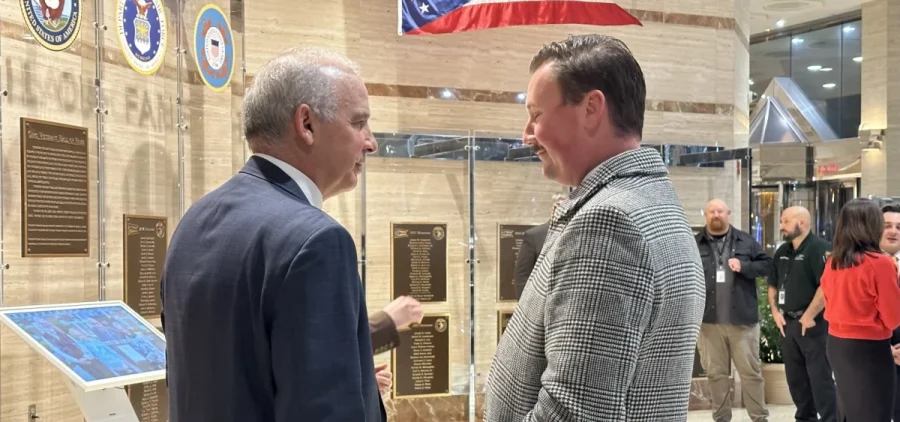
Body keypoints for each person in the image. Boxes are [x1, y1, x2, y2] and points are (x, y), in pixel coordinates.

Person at [484, 34, 705, 421]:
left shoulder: (608, 223)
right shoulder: (649, 200)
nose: (527, 135)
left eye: (536, 115)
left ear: (591, 108)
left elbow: (572, 413)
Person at [160, 47, 384, 421]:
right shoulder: (317, 241)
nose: (370, 142)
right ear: (307, 124)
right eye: (359, 122)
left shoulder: (192, 223)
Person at [820, 198, 900, 421]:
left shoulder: (833, 262)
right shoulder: (880, 264)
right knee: (875, 412)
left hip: (837, 345)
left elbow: (829, 301)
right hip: (869, 350)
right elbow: (893, 318)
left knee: (848, 411)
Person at [696, 199, 771, 422]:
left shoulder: (746, 241)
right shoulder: (695, 243)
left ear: (728, 213)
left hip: (743, 322)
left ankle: (759, 417)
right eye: (711, 211)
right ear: (706, 215)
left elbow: (767, 265)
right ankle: (721, 418)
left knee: (750, 373)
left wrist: (745, 266)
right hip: (709, 322)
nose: (716, 215)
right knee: (716, 374)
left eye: (720, 211)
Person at [766, 206, 837, 422]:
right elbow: (772, 285)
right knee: (796, 379)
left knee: (820, 379)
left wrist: (808, 315)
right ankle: (805, 418)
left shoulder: (820, 249)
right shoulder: (782, 251)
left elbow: (827, 287)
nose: (781, 226)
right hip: (788, 324)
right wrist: (775, 312)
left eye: (786, 221)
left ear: (802, 223)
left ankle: (830, 418)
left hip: (814, 325)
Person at [512, 193, 568, 299]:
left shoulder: (575, 234)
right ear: (553, 209)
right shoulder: (534, 236)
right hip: (540, 303)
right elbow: (522, 279)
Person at [879, 204, 900, 421]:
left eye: (899, 226)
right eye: (887, 226)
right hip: (870, 356)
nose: (893, 231)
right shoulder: (859, 264)